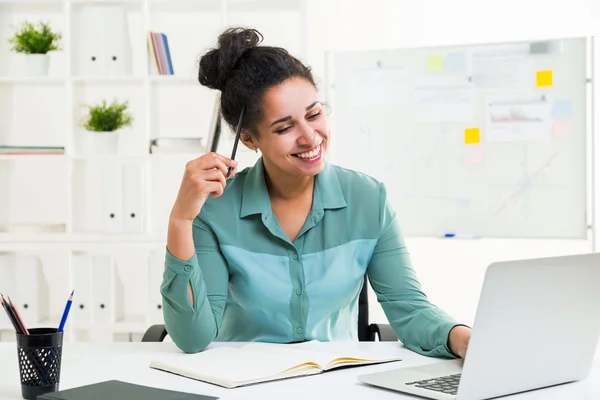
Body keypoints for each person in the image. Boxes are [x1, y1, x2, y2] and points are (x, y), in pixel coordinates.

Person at [161, 27, 471, 358]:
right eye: (284, 127)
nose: (310, 137)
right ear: (249, 139)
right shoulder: (216, 210)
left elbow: (408, 309)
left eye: (314, 114)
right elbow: (193, 338)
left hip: (336, 383)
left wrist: (464, 338)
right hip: (243, 383)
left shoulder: (368, 199)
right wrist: (181, 219)